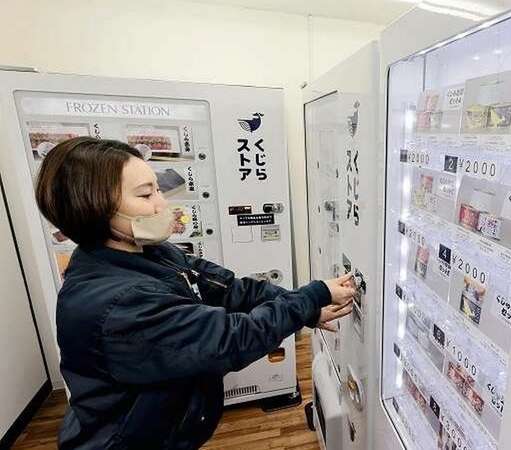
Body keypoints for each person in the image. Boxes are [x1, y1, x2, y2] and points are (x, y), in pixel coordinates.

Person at [34, 137, 356, 449]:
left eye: (158, 189)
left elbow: (230, 289)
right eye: (146, 196)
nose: (162, 204)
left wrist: (308, 310)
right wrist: (313, 295)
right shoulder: (119, 303)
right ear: (96, 208)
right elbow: (229, 340)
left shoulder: (148, 253)